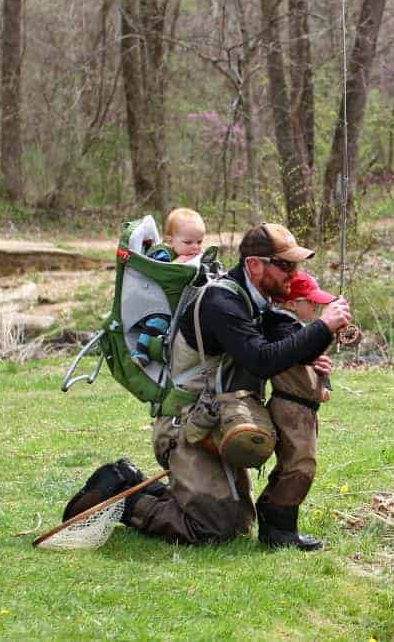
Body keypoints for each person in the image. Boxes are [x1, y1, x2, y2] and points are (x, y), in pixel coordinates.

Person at [64, 223, 352, 549]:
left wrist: (315, 345)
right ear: (254, 265)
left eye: (296, 265)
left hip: (219, 421)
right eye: (285, 265)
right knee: (215, 528)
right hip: (185, 427)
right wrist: (323, 326)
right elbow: (260, 358)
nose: (293, 273)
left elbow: (284, 340)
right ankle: (123, 493)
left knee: (238, 522)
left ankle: (279, 525)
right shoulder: (221, 303)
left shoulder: (257, 300)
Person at [257, 271, 339, 549]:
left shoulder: (299, 331)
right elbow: (302, 351)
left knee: (299, 465)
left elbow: (310, 358)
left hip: (303, 408)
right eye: (310, 302)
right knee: (299, 467)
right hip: (291, 408)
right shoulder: (282, 324)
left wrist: (323, 377)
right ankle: (279, 529)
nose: (316, 308)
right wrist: (328, 329)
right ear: (291, 304)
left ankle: (279, 523)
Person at [132, 207, 207, 366]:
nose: (195, 247)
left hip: (176, 302)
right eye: (188, 242)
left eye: (199, 242)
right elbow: (159, 271)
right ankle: (140, 352)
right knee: (159, 321)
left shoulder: (189, 254)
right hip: (154, 303)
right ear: (170, 240)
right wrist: (177, 264)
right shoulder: (163, 254)